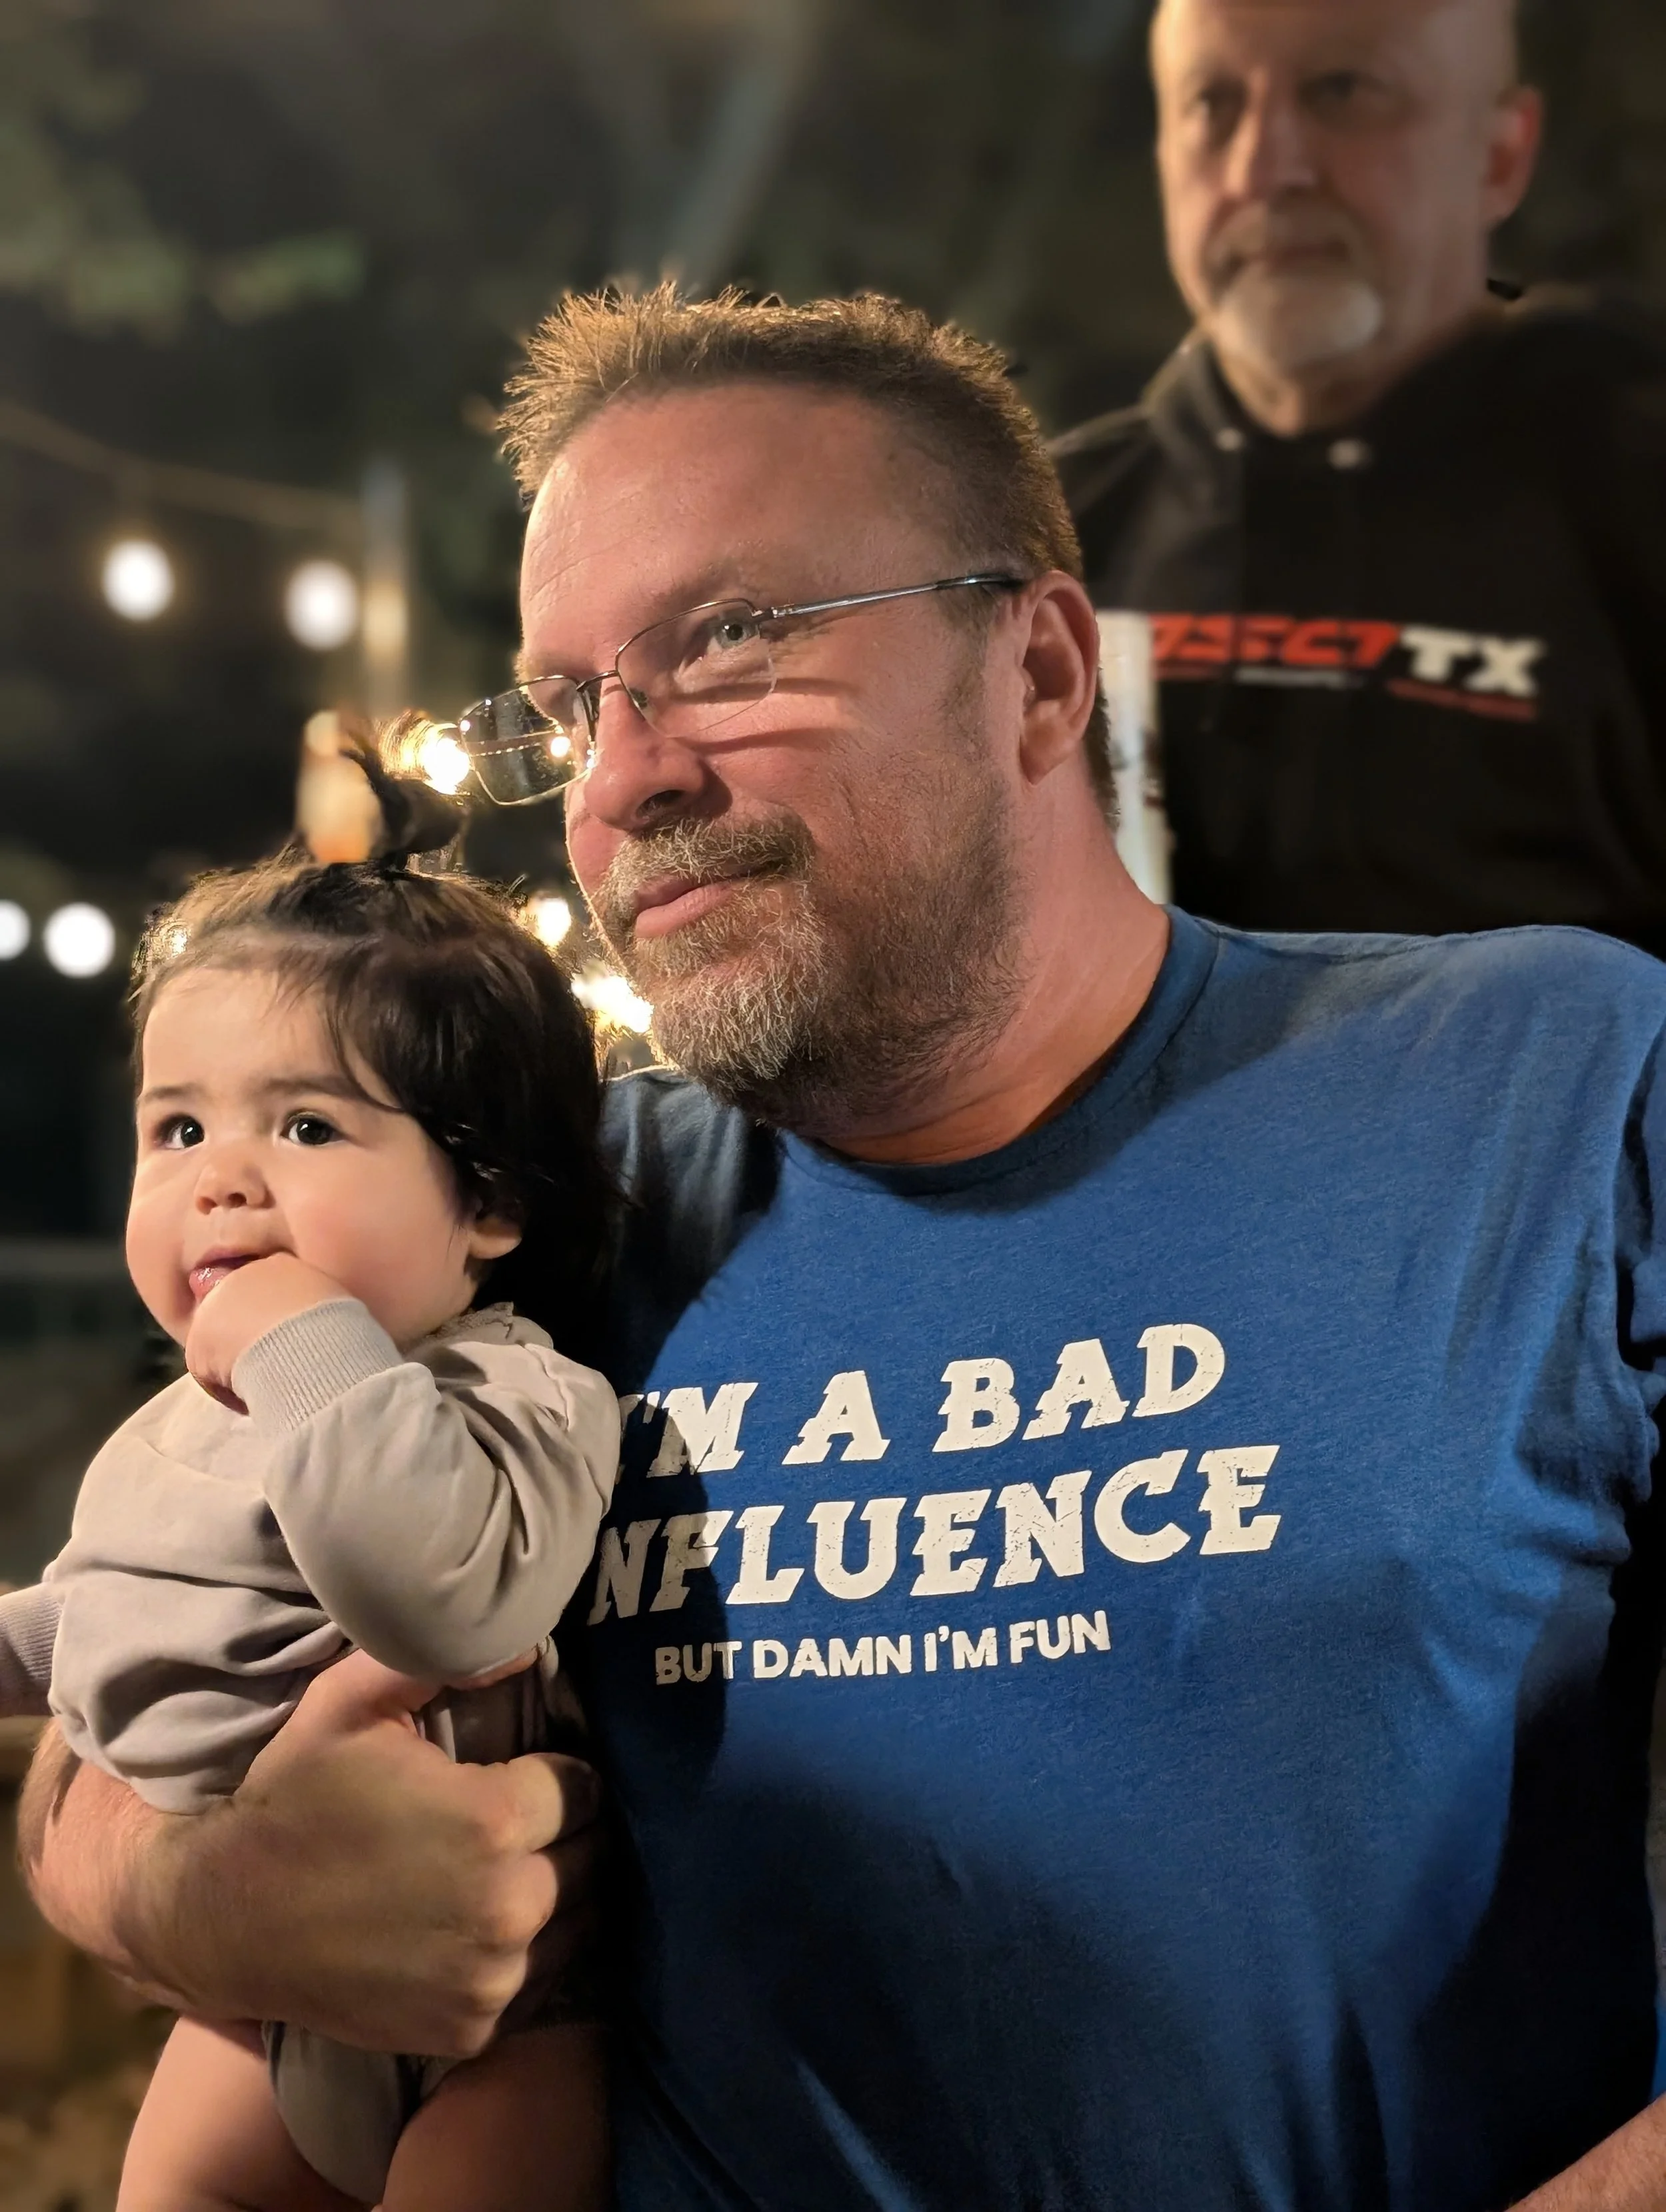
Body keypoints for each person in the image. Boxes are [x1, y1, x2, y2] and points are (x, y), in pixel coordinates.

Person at [18, 284, 1666, 2209]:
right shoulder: (533, 1233)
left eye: (725, 645)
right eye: (568, 705)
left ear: (1040, 675)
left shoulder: (1550, 1082)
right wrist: (208, 1899)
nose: (623, 781)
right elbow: (116, 1693)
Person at [3, 817, 619, 2210]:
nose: (221, 1175)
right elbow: (96, 1615)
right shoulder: (173, 1429)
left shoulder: (515, 1389)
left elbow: (440, 1597)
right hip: (261, 2004)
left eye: (306, 1124)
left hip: (507, 2021)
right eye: (179, 1127)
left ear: (492, 1197)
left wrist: (305, 1344)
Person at [1053, 0, 1666, 954]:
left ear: (1499, 156)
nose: (1265, 170)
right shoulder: (1035, 530)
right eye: (1212, 105)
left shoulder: (1630, 504)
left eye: (1343, 92)